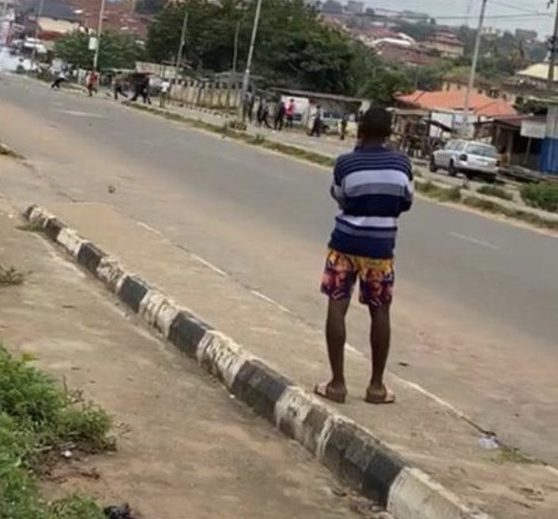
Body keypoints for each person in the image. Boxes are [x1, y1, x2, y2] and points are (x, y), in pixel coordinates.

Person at [315, 107, 413, 405]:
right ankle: (376, 387)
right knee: (380, 311)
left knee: (337, 305)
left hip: (345, 242)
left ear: (359, 130)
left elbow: (340, 195)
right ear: (389, 131)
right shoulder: (401, 163)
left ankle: (337, 384)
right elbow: (405, 202)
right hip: (380, 250)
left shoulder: (346, 163)